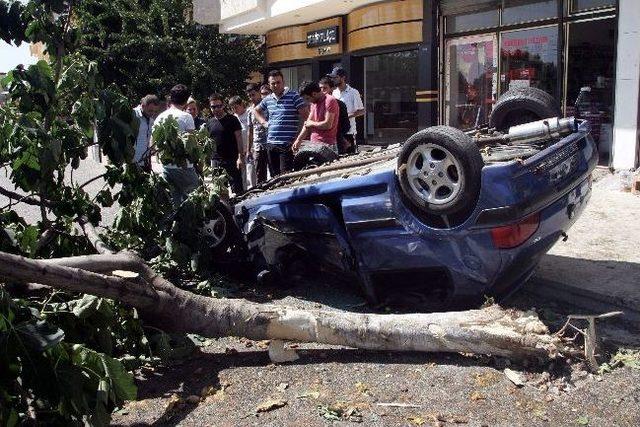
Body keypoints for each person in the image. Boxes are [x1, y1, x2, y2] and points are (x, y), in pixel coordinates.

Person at [252, 69, 309, 176]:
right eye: (273, 83)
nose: (276, 85)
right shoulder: (268, 99)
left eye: (278, 82)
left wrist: (299, 139)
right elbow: (255, 110)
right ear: (269, 85)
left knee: (286, 178)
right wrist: (264, 123)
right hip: (271, 144)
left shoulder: (294, 96)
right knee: (274, 178)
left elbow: (308, 119)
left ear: (283, 82)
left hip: (286, 145)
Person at [152, 84, 199, 205]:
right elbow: (191, 144)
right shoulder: (186, 117)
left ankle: (177, 224)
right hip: (184, 167)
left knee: (175, 203)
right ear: (185, 100)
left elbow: (154, 144)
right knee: (194, 200)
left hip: (167, 167)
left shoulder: (160, 117)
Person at [206, 93, 244, 195]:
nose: (216, 109)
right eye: (213, 107)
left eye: (219, 106)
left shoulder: (233, 120)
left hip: (232, 160)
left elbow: (239, 139)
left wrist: (240, 157)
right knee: (219, 191)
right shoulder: (209, 123)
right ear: (210, 107)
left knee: (238, 190)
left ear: (223, 105)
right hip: (216, 162)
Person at [293, 81, 339, 153]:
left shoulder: (330, 100)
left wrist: (312, 124)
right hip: (314, 144)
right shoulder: (313, 103)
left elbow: (327, 125)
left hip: (327, 145)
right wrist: (298, 140)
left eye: (308, 98)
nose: (307, 102)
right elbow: (307, 124)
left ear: (314, 94)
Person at [330, 67, 364, 153]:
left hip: (349, 131)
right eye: (332, 78)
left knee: (350, 155)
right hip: (336, 131)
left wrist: (346, 116)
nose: (333, 80)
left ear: (343, 78)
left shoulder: (353, 92)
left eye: (336, 77)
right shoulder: (334, 93)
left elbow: (361, 111)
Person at [245, 83, 271, 184]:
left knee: (273, 173)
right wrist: (248, 150)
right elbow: (250, 131)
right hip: (257, 147)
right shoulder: (250, 111)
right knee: (260, 175)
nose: (251, 98)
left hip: (270, 144)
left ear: (258, 93)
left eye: (253, 94)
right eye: (249, 96)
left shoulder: (267, 105)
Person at [319, 75, 351, 154]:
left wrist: (338, 134)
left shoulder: (340, 104)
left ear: (332, 89)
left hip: (336, 141)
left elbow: (346, 125)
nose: (322, 91)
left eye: (325, 88)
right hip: (320, 141)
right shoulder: (316, 104)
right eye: (320, 88)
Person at [229, 95, 253, 189]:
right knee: (241, 176)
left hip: (250, 149)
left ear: (242, 104)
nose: (234, 110)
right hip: (239, 151)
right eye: (232, 108)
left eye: (236, 107)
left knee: (251, 174)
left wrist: (249, 149)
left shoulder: (249, 113)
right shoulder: (233, 118)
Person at [133, 94, 160, 171]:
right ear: (143, 106)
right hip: (133, 162)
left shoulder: (150, 120)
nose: (152, 113)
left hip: (145, 161)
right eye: (150, 110)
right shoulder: (133, 115)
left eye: (155, 111)